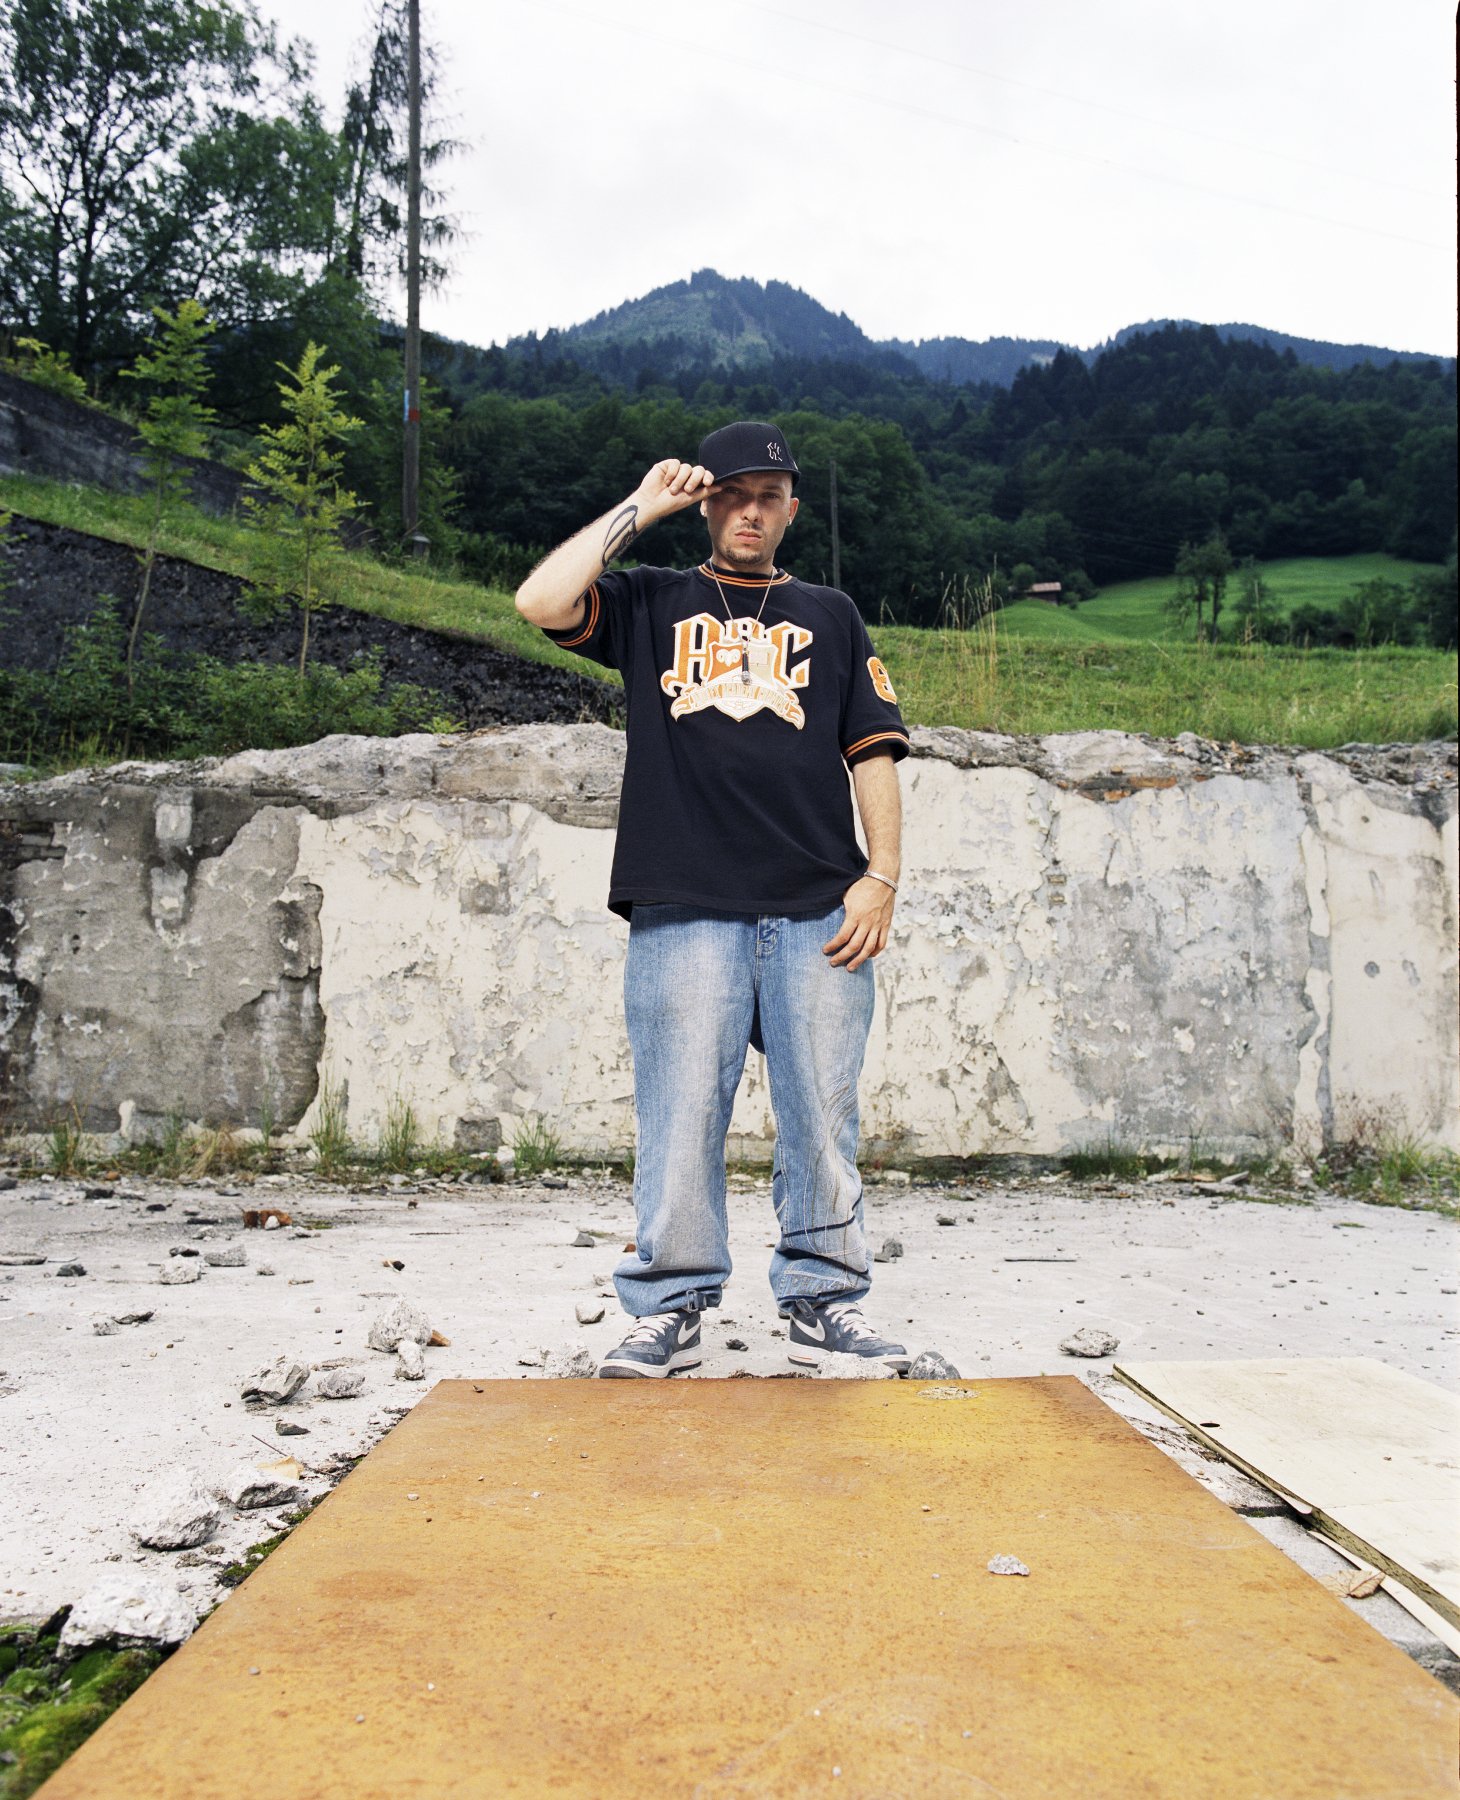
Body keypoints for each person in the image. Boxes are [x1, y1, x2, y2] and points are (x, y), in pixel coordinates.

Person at [515, 420, 911, 1377]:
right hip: (684, 901)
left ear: (791, 510)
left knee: (822, 1114)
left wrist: (882, 878)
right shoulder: (652, 600)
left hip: (817, 908)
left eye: (767, 497)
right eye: (730, 495)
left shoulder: (831, 614)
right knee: (681, 1112)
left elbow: (874, 755)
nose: (749, 512)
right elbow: (540, 600)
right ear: (706, 505)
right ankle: (670, 1306)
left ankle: (824, 1300)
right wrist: (642, 506)